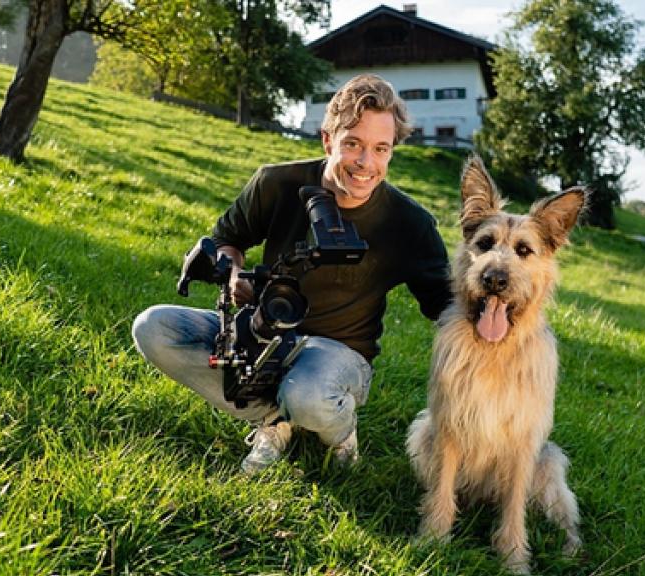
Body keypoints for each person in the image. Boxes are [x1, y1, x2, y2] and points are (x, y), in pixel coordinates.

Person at [132, 74, 451, 474]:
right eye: (353, 143)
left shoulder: (409, 223)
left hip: (340, 354)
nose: (366, 163)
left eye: (380, 149)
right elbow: (226, 240)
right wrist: (234, 276)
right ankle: (272, 419)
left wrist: (498, 302)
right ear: (327, 139)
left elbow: (444, 303)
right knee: (154, 328)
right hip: (262, 331)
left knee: (308, 395)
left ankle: (340, 428)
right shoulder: (276, 183)